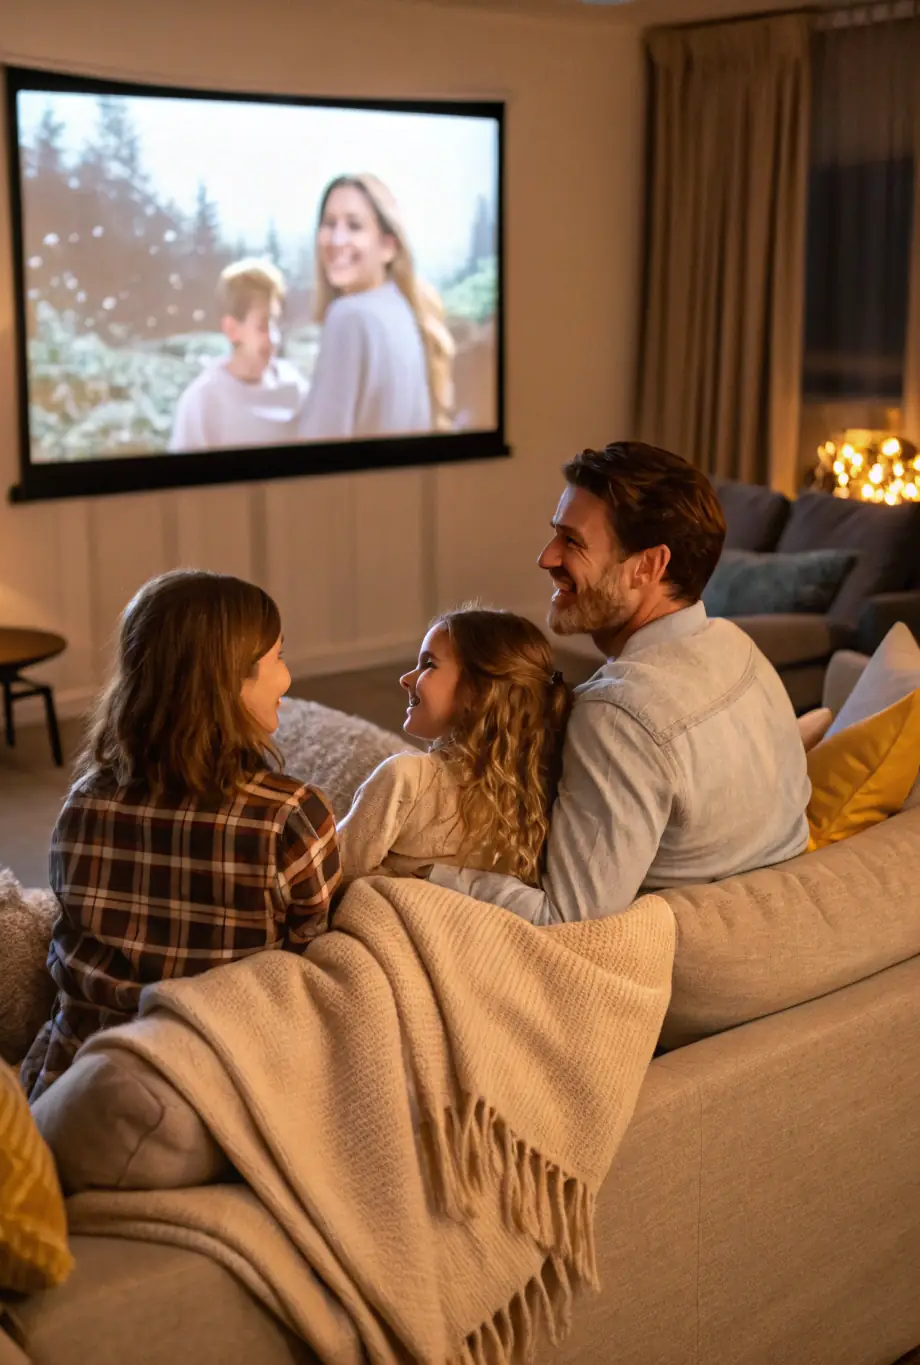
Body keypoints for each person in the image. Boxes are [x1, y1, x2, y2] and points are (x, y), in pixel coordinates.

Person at [430, 442, 812, 924]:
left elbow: (567, 918)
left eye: (573, 542)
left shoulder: (619, 715)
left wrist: (429, 874)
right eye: (555, 535)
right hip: (773, 918)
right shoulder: (738, 647)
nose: (546, 558)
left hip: (696, 964)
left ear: (649, 566)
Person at [20, 570, 341, 1101]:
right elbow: (314, 970)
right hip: (221, 1091)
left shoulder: (83, 805)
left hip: (76, 1086)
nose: (287, 678)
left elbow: (69, 942)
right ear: (231, 681)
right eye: (278, 658)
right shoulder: (292, 815)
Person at [338, 607, 572, 885]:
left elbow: (334, 873)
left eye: (428, 665)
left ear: (477, 692)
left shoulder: (406, 779)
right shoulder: (537, 802)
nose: (405, 678)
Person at [297, 173, 455, 441]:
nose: (337, 240)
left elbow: (316, 452)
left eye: (354, 226)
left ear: (388, 246)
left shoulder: (348, 317)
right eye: (329, 223)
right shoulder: (404, 310)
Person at [168, 259, 308, 452]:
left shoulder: (296, 387)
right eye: (262, 326)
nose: (275, 338)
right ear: (232, 329)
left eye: (275, 322)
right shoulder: (202, 402)